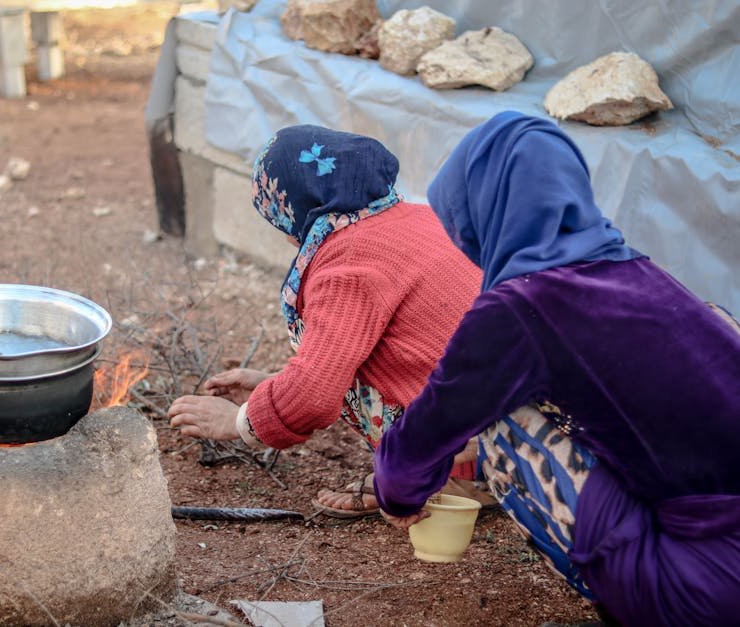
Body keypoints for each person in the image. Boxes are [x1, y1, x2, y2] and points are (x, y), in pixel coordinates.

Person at [373, 111, 740, 624]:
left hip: (706, 587)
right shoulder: (638, 272)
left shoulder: (521, 307)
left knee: (504, 423)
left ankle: (634, 600)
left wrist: (396, 495)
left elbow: (415, 448)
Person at [168, 124, 485, 517]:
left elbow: (314, 395)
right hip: (522, 417)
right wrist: (274, 385)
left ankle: (448, 477)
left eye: (280, 217)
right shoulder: (417, 217)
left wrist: (237, 422)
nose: (287, 236)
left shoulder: (348, 265)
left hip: (480, 441)